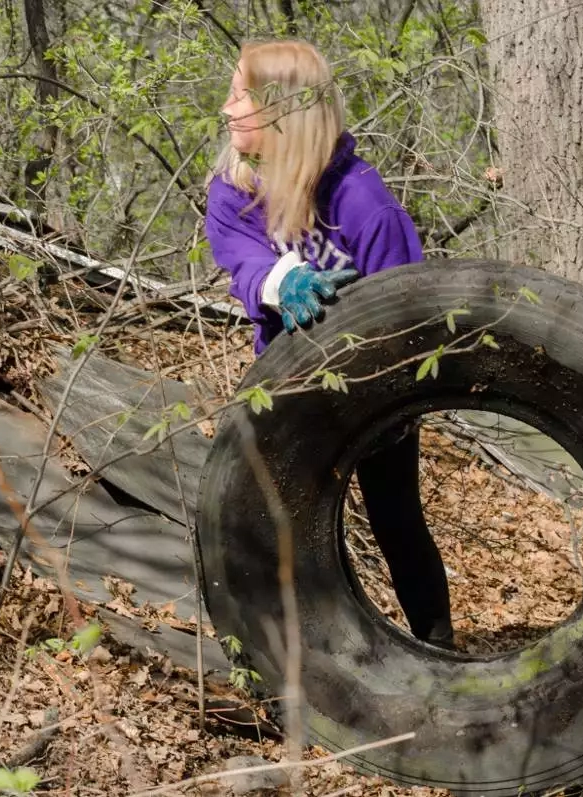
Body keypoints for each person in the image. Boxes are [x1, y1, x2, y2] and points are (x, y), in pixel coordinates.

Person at [204, 39, 455, 649]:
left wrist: (398, 404)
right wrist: (286, 280)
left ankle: (439, 649)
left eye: (241, 96)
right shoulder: (233, 190)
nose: (227, 109)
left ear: (282, 110)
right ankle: (302, 660)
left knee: (396, 519)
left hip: (377, 392)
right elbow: (241, 262)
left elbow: (409, 309)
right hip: (289, 389)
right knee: (290, 523)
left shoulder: (363, 202)